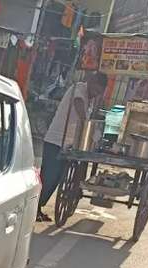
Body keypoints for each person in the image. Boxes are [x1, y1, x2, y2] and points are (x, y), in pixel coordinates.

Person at [37, 71, 108, 222]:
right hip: (56, 141)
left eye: (99, 92)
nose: (96, 94)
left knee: (56, 180)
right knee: (49, 177)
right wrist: (86, 122)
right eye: (96, 90)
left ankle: (38, 208)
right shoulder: (79, 89)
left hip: (68, 143)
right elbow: (78, 105)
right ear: (91, 82)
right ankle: (34, 208)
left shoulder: (90, 98)